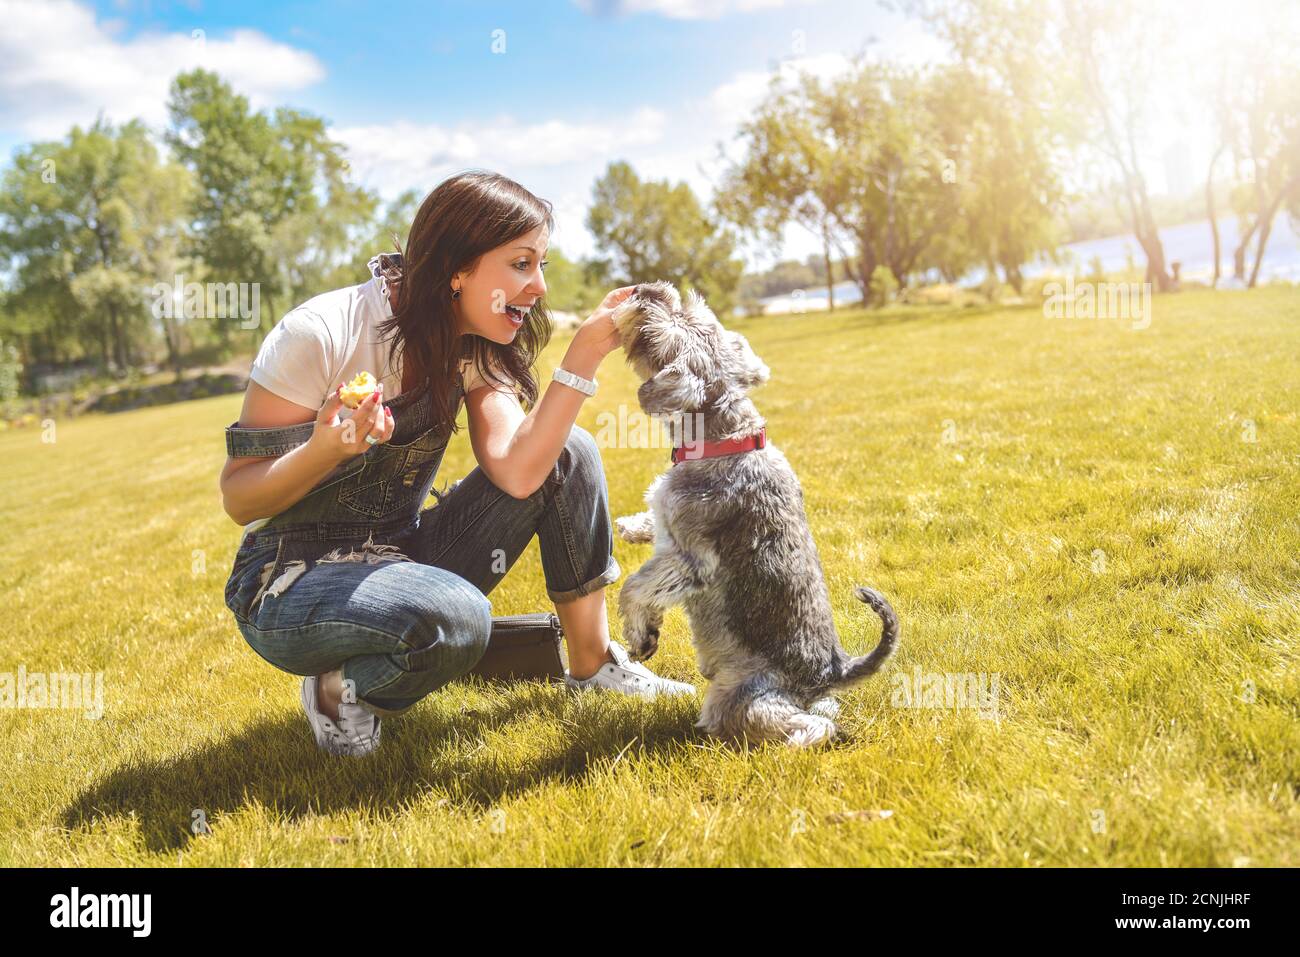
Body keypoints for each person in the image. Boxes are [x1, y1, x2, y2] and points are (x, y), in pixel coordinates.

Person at [219, 170, 693, 757]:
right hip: (286, 581)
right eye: (521, 263)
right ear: (457, 269)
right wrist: (323, 450)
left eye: (540, 263)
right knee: (458, 617)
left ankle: (591, 666)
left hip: (397, 556)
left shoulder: (470, 342)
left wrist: (583, 357)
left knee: (568, 453)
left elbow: (520, 470)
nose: (540, 285)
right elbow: (239, 498)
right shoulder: (320, 334)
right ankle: (337, 688)